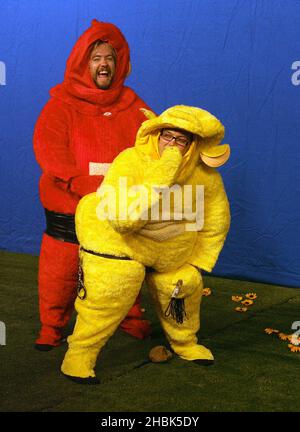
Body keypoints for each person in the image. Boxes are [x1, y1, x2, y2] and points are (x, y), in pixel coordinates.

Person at [60, 104, 231, 384]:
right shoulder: (130, 161)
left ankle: (185, 343)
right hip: (118, 242)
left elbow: (216, 220)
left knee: (183, 282)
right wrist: (161, 175)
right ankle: (79, 354)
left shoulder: (206, 177)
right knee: (113, 285)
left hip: (170, 251)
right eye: (167, 136)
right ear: (155, 135)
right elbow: (123, 219)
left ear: (191, 145)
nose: (172, 144)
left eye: (181, 139)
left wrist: (197, 260)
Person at [33, 19, 152, 351]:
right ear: (82, 63)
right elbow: (48, 148)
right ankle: (52, 327)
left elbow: (153, 144)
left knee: (124, 267)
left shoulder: (134, 106)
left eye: (110, 59)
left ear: (119, 64)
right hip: (68, 208)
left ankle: (131, 318)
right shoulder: (59, 105)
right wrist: (78, 181)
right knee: (61, 272)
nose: (104, 65)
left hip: (117, 209)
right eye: (96, 58)